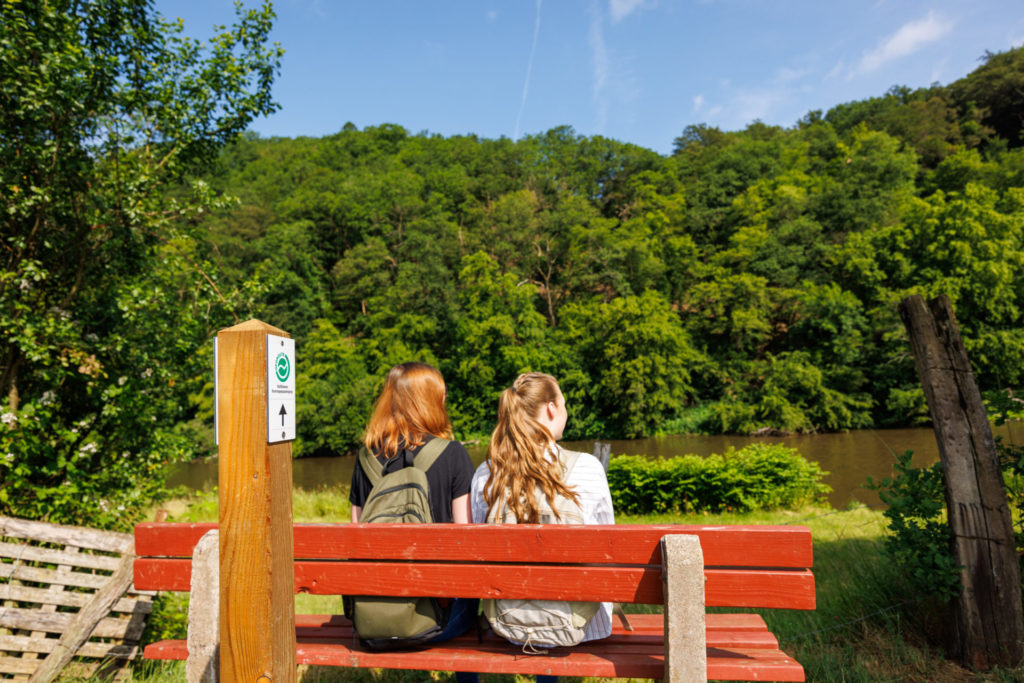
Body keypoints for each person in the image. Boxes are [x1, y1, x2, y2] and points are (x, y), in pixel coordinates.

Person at [469, 372, 615, 683]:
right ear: (551, 408)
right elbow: (608, 549)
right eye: (564, 403)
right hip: (582, 623)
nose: (565, 410)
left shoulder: (486, 473)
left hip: (508, 620)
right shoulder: (587, 467)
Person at [348, 362, 478, 660]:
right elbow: (466, 541)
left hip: (372, 620)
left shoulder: (365, 457)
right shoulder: (453, 453)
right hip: (436, 622)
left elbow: (356, 538)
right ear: (431, 401)